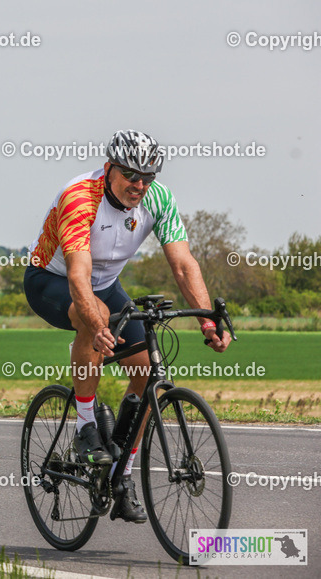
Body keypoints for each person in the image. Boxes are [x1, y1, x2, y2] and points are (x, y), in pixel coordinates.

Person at [23, 129, 231, 523]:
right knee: (95, 314)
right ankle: (86, 426)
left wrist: (207, 319)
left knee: (148, 373)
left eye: (147, 177)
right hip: (51, 281)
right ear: (109, 168)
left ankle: (122, 471)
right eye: (131, 175)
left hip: (106, 285)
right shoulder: (80, 197)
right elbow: (79, 276)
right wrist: (93, 320)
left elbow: (184, 265)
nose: (139, 185)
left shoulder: (159, 198)